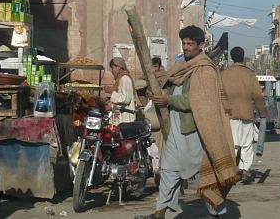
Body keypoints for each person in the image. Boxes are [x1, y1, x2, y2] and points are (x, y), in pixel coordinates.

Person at [135, 26, 238, 219]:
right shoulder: (182, 66)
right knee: (168, 171)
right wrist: (159, 96)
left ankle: (216, 213)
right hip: (177, 128)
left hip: (196, 130)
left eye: (190, 43)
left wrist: (169, 101)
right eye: (184, 43)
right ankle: (159, 212)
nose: (186, 47)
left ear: (201, 45)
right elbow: (173, 90)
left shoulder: (205, 69)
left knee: (204, 177)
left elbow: (199, 101)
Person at [221, 47, 268, 182]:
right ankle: (245, 169)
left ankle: (230, 171)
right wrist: (263, 113)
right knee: (246, 144)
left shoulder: (224, 74)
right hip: (247, 113)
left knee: (233, 143)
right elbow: (258, 96)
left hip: (229, 114)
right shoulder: (250, 74)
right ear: (242, 57)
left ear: (231, 57)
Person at [108, 57, 136, 124]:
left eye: (112, 68)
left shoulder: (124, 79)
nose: (112, 71)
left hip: (125, 118)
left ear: (118, 67)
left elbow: (125, 99)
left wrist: (111, 92)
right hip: (120, 117)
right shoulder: (119, 79)